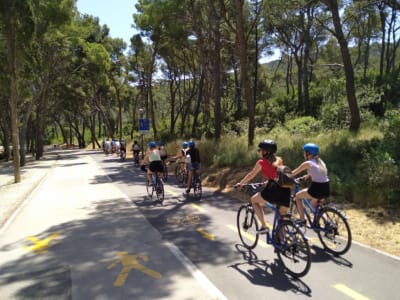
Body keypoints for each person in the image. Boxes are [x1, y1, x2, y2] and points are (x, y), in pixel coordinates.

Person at [235, 139, 291, 234]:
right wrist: (268, 181)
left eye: (260, 150)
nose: (259, 152)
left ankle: (264, 226)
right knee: (282, 218)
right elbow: (277, 175)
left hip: (273, 189)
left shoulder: (261, 162)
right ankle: (284, 242)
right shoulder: (279, 160)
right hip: (286, 189)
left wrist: (240, 184)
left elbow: (251, 175)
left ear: (265, 152)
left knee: (254, 200)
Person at [290, 143, 330, 225]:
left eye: (304, 152)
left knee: (297, 196)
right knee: (314, 205)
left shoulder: (307, 163)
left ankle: (302, 219)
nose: (303, 154)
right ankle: (328, 223)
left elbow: (293, 173)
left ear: (308, 153)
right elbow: (318, 172)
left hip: (317, 188)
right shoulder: (320, 161)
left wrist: (282, 175)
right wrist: (307, 176)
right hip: (326, 187)